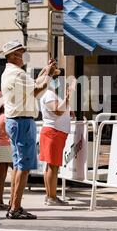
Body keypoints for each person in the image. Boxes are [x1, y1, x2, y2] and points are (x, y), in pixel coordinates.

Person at [1, 40, 57, 219]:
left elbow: (33, 85)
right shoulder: (18, 74)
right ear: (12, 56)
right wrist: (48, 75)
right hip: (22, 122)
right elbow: (38, 89)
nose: (24, 55)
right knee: (23, 167)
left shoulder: (12, 73)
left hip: (16, 121)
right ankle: (15, 208)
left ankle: (13, 204)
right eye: (20, 52)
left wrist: (45, 72)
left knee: (19, 165)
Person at [39, 73, 74, 206]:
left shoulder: (49, 94)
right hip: (53, 133)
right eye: (54, 78)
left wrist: (67, 109)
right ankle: (52, 197)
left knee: (50, 166)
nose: (57, 81)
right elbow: (57, 111)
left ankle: (50, 196)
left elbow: (59, 110)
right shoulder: (49, 94)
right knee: (53, 167)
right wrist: (68, 97)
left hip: (53, 132)